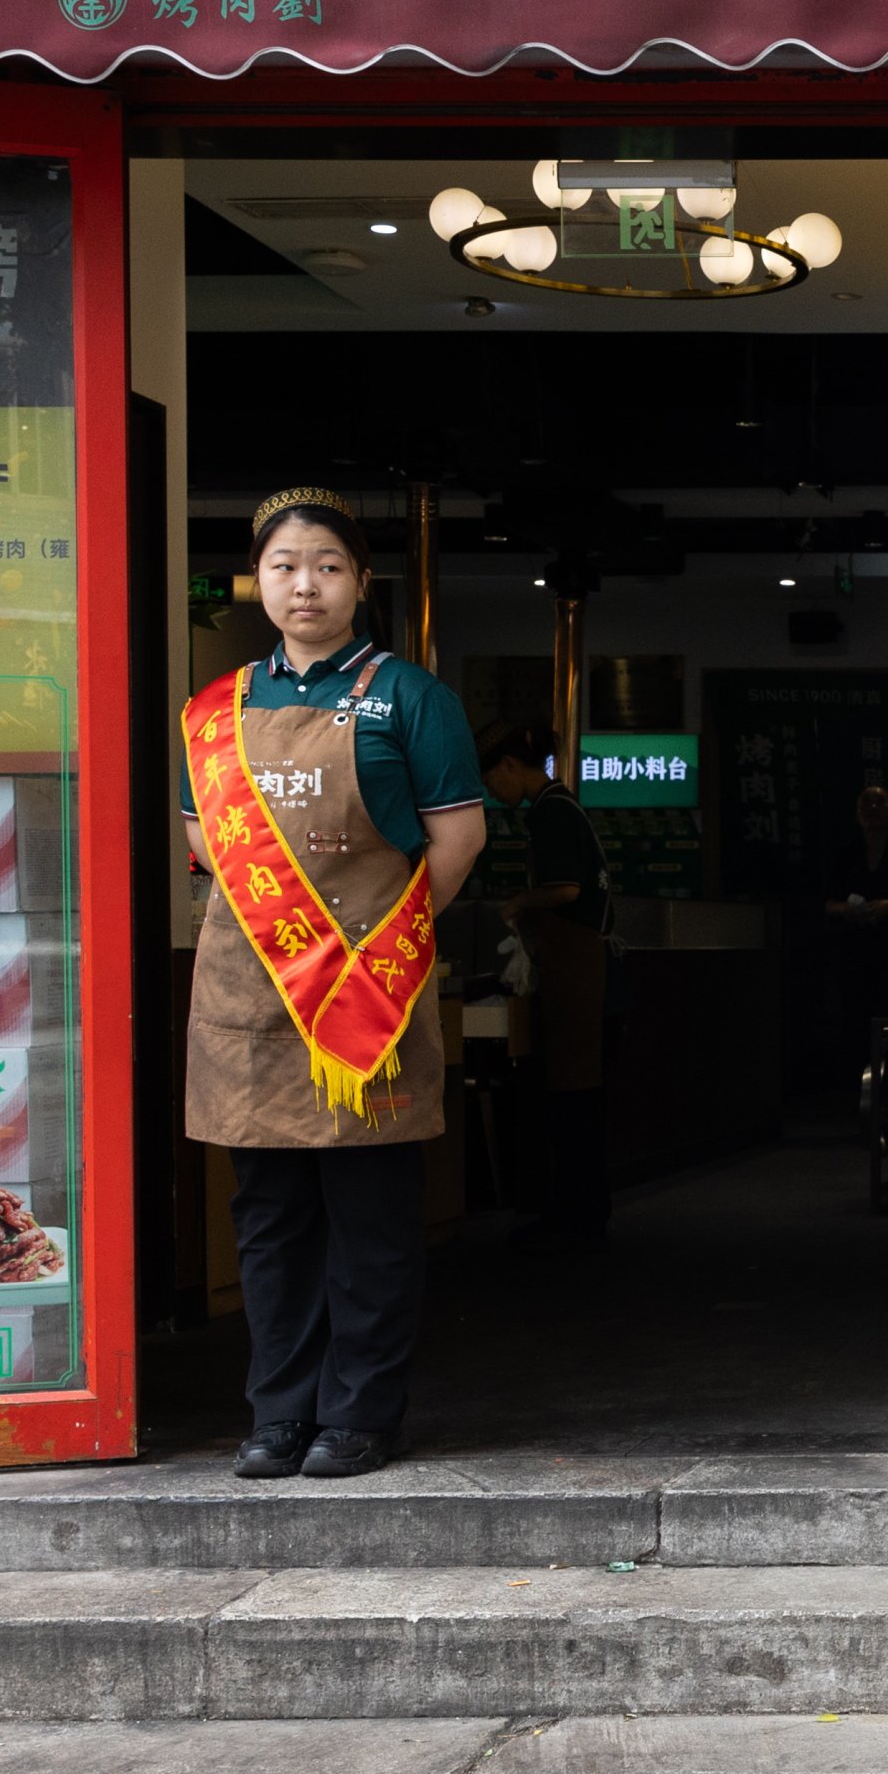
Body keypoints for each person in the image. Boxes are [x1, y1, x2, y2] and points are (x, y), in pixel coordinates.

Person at [180, 490, 490, 1480]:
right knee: (268, 1223)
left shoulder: (411, 697)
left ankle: (358, 1413)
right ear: (257, 582)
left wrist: (381, 944)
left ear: (360, 581)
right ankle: (278, 1413)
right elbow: (203, 845)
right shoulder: (215, 711)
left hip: (368, 995)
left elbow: (457, 841)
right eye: (283, 566)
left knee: (370, 1223)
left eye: (325, 565)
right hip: (251, 1007)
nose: (303, 583)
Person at [480, 723, 611, 1249]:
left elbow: (564, 889)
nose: (493, 792)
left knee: (571, 1090)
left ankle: (575, 1215)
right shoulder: (565, 805)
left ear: (512, 765)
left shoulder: (551, 811)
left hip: (573, 965)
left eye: (493, 780)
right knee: (577, 1090)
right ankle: (580, 1209)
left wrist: (517, 904)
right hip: (580, 963)